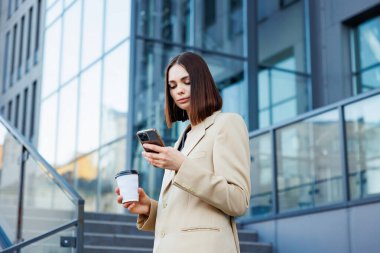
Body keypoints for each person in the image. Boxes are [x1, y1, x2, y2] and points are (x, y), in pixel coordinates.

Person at [115, 51, 251, 253]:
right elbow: (186, 211)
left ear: (202, 82)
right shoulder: (182, 139)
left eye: (186, 82)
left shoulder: (227, 123)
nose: (179, 90)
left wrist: (181, 165)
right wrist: (149, 209)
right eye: (173, 86)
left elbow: (238, 200)